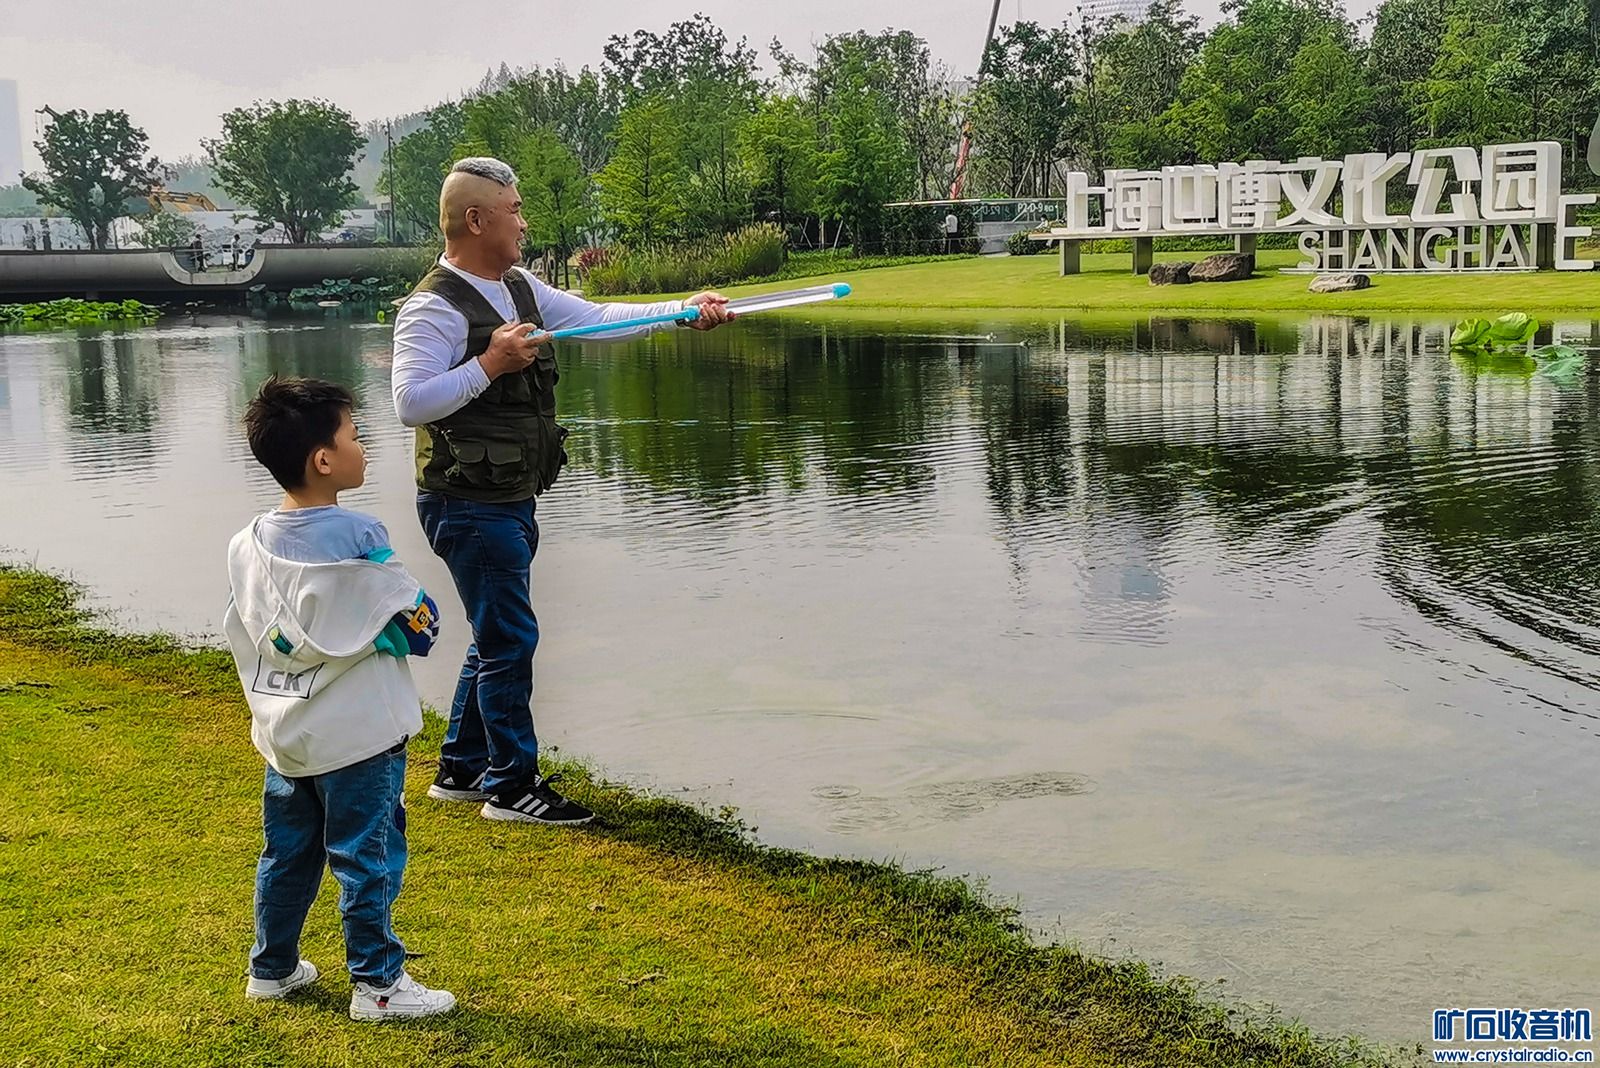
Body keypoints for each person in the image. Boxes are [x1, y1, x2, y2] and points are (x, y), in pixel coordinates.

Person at [391, 156, 732, 825]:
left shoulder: (518, 286)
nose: (524, 222)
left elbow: (599, 318)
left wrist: (683, 312)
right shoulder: (432, 306)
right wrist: (490, 363)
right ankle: (511, 788)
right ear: (476, 220)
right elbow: (410, 402)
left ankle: (462, 769)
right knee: (510, 638)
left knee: (497, 632)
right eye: (514, 210)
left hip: (508, 493)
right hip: (465, 501)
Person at [225, 376, 456, 1022]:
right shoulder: (359, 536)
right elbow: (417, 624)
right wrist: (387, 629)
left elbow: (253, 624)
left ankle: (271, 968)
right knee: (367, 856)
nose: (364, 446)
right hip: (358, 736)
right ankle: (378, 986)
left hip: (288, 732)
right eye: (355, 435)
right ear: (324, 460)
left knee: (287, 852)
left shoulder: (246, 543)